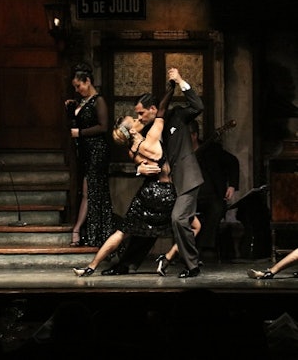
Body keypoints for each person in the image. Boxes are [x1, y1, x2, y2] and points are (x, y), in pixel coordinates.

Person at [101, 67, 204, 278]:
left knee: (179, 219)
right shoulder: (147, 129)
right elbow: (140, 153)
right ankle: (126, 265)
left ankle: (192, 266)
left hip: (185, 179)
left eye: (141, 113)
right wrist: (139, 168)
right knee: (145, 224)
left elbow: (198, 106)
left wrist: (180, 81)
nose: (138, 117)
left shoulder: (177, 115)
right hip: (162, 186)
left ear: (153, 109)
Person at [73, 79, 177, 277]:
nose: (138, 119)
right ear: (132, 130)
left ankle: (92, 266)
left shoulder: (132, 149)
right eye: (135, 120)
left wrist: (141, 167)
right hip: (165, 191)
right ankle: (168, 258)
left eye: (139, 116)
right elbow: (162, 111)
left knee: (122, 232)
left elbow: (139, 160)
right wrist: (171, 87)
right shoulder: (152, 137)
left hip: (148, 192)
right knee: (189, 226)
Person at [64, 62, 113, 248]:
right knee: (88, 192)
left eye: (79, 86)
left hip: (97, 151)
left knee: (90, 191)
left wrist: (80, 133)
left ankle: (80, 230)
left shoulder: (98, 100)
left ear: (88, 81)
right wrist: (71, 110)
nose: (77, 90)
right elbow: (76, 122)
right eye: (75, 87)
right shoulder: (82, 102)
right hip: (85, 152)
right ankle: (87, 231)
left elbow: (104, 127)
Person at [189, 118, 240, 262]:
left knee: (216, 208)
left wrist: (232, 185)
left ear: (194, 135)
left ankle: (206, 248)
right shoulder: (180, 153)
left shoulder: (211, 150)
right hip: (189, 197)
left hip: (211, 196)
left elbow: (233, 162)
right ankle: (184, 249)